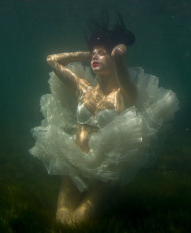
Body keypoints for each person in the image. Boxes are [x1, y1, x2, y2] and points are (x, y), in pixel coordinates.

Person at [29, 12, 179, 226]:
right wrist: (88, 53)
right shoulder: (83, 87)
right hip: (75, 160)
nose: (94, 57)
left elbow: (120, 58)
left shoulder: (124, 94)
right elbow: (52, 60)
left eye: (101, 53)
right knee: (61, 218)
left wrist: (118, 52)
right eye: (93, 54)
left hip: (106, 169)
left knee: (76, 223)